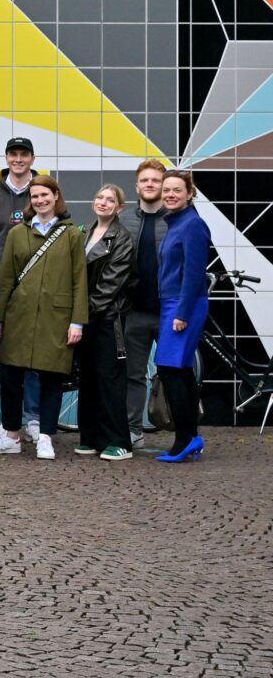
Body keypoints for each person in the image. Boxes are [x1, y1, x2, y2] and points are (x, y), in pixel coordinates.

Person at [0, 175, 86, 460]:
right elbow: (4, 278)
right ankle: (12, 435)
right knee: (11, 375)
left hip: (57, 317)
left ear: (56, 196)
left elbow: (80, 280)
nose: (40, 200)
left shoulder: (72, 235)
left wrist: (77, 321)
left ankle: (45, 438)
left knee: (51, 379)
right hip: (19, 315)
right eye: (35, 196)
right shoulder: (18, 233)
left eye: (45, 195)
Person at [153, 170, 212, 464]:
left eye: (177, 190)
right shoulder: (176, 223)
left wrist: (183, 313)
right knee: (180, 370)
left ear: (190, 193)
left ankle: (184, 439)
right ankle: (192, 436)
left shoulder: (192, 225)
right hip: (172, 304)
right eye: (167, 190)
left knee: (169, 369)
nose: (170, 195)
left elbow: (193, 273)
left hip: (183, 305)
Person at [76, 184, 137, 461]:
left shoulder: (122, 238)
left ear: (119, 207)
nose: (103, 202)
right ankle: (90, 437)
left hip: (107, 317)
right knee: (88, 378)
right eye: (100, 197)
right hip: (86, 317)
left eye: (110, 200)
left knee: (110, 379)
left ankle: (119, 441)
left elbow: (111, 283)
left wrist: (82, 314)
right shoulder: (85, 232)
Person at [120, 158, 173, 446]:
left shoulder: (176, 218)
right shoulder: (125, 220)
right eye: (145, 180)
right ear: (137, 186)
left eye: (155, 180)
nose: (150, 184)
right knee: (134, 375)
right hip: (135, 312)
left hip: (169, 312)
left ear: (163, 185)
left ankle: (183, 432)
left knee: (175, 374)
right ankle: (133, 431)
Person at [0, 136, 38, 257]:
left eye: (24, 154)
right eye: (13, 154)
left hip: (36, 274)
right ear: (6, 158)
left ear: (32, 159)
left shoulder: (45, 195)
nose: (18, 159)